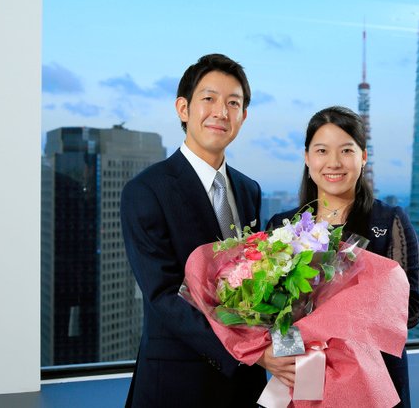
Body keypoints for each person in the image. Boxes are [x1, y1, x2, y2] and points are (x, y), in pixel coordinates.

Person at [121, 54, 294, 408]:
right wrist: (249, 351)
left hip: (243, 384)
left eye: (234, 103)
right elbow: (163, 296)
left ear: (243, 117)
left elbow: (252, 279)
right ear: (183, 109)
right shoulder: (147, 189)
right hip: (177, 381)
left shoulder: (249, 189)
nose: (221, 112)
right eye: (209, 99)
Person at [267, 105, 419, 407]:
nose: (334, 162)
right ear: (307, 158)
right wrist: (295, 350)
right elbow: (269, 315)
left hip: (374, 381)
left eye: (346, 151)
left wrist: (331, 322)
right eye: (322, 150)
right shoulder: (282, 226)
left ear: (363, 157)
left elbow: (411, 310)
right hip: (301, 374)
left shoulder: (388, 221)